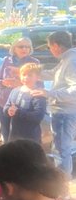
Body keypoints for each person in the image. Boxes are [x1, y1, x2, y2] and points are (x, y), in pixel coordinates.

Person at [32, 30, 76, 176]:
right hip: (63, 112)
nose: (50, 50)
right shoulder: (66, 59)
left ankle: (62, 188)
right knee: (60, 149)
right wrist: (29, 74)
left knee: (61, 150)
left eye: (49, 47)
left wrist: (49, 93)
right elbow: (52, 74)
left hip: (65, 113)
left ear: (56, 45)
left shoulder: (71, 61)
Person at [0, 38, 38, 143]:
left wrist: (22, 84)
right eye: (21, 46)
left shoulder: (34, 62)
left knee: (21, 139)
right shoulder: (5, 61)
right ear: (14, 48)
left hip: (24, 107)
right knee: (6, 137)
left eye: (27, 47)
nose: (24, 49)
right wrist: (3, 82)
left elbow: (39, 85)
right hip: (4, 104)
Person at [4, 62, 46, 144]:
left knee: (28, 156)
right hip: (14, 135)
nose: (26, 77)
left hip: (30, 136)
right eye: (24, 75)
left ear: (37, 77)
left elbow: (38, 116)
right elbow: (7, 106)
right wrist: (8, 110)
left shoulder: (38, 94)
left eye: (30, 75)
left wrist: (18, 112)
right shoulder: (15, 90)